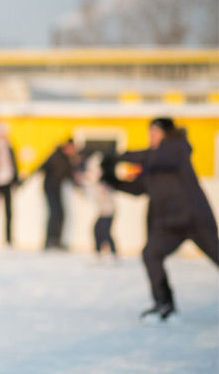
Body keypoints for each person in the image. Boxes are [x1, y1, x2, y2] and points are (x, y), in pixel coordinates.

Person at [108, 118, 218, 321]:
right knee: (151, 254)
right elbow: (137, 188)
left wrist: (120, 156)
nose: (152, 136)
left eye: (156, 132)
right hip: (169, 225)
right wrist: (111, 180)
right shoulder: (153, 162)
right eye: (150, 132)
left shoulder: (177, 148)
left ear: (168, 133)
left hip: (195, 219)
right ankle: (164, 304)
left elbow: (155, 156)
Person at [36, 139, 78, 250]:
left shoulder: (67, 159)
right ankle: (50, 240)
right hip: (50, 189)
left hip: (57, 190)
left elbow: (69, 175)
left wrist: (78, 185)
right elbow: (42, 167)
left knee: (60, 214)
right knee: (54, 214)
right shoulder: (56, 155)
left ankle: (57, 240)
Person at [80, 151, 117, 261]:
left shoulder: (103, 180)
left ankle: (113, 254)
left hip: (109, 210)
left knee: (105, 232)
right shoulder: (93, 182)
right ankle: (98, 253)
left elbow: (108, 190)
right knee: (97, 230)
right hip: (103, 210)